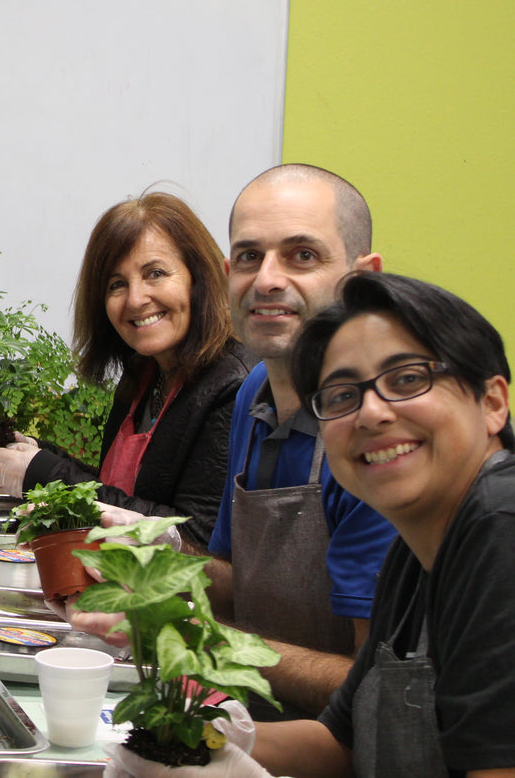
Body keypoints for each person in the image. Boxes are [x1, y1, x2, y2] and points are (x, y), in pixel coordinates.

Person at [114, 273, 515, 777]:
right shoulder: (413, 551)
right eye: (340, 396)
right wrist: (191, 742)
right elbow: (341, 741)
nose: (371, 413)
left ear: (491, 403)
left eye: (406, 380)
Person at [67, 165, 398, 719]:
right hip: (242, 710)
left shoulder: (382, 439)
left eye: (302, 256)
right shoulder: (254, 394)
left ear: (363, 280)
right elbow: (236, 581)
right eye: (249, 257)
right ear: (225, 275)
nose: (267, 279)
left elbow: (375, 693)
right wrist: (159, 551)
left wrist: (190, 634)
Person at [0, 191, 253, 549]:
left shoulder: (233, 386)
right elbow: (118, 491)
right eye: (117, 284)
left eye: (155, 273)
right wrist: (38, 454)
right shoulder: (145, 373)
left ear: (200, 278)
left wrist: (42, 473)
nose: (135, 299)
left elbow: (190, 540)